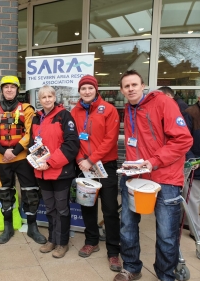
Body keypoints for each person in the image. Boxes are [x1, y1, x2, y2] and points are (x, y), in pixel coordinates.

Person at [114, 70, 193, 281]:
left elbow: (183, 140)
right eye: (126, 86)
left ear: (143, 86)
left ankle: (166, 274)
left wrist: (154, 161)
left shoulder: (163, 103)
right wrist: (130, 167)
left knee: (167, 233)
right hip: (134, 178)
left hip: (164, 177)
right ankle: (131, 267)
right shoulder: (129, 108)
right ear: (122, 90)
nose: (130, 89)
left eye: (134, 84)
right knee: (127, 225)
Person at [0, 75, 47, 245]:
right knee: (5, 193)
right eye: (6, 87)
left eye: (13, 87)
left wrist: (16, 150)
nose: (9, 90)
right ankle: (7, 227)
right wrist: (3, 150)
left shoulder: (27, 109)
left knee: (31, 191)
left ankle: (32, 227)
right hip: (1, 158)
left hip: (23, 157)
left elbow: (31, 132)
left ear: (18, 89)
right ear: (2, 89)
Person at [70, 75, 121, 271]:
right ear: (79, 91)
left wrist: (92, 159)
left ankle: (113, 251)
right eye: (83, 88)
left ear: (96, 89)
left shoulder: (109, 109)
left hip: (105, 165)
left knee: (109, 208)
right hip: (83, 165)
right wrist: (81, 160)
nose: (87, 91)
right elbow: (74, 138)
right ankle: (91, 240)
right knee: (87, 205)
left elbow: (111, 139)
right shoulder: (74, 111)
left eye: (90, 88)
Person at [29, 85, 79, 258]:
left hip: (60, 172)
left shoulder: (64, 116)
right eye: (44, 97)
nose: (47, 99)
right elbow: (32, 143)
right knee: (50, 209)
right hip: (42, 172)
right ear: (40, 100)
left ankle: (62, 243)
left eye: (50, 96)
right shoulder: (36, 118)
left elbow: (71, 145)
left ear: (54, 97)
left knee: (62, 209)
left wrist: (49, 163)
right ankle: (52, 239)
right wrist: (37, 162)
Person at [183, 94, 200, 241]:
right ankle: (197, 232)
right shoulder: (190, 113)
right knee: (193, 200)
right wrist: (192, 158)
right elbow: (184, 139)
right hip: (196, 165)